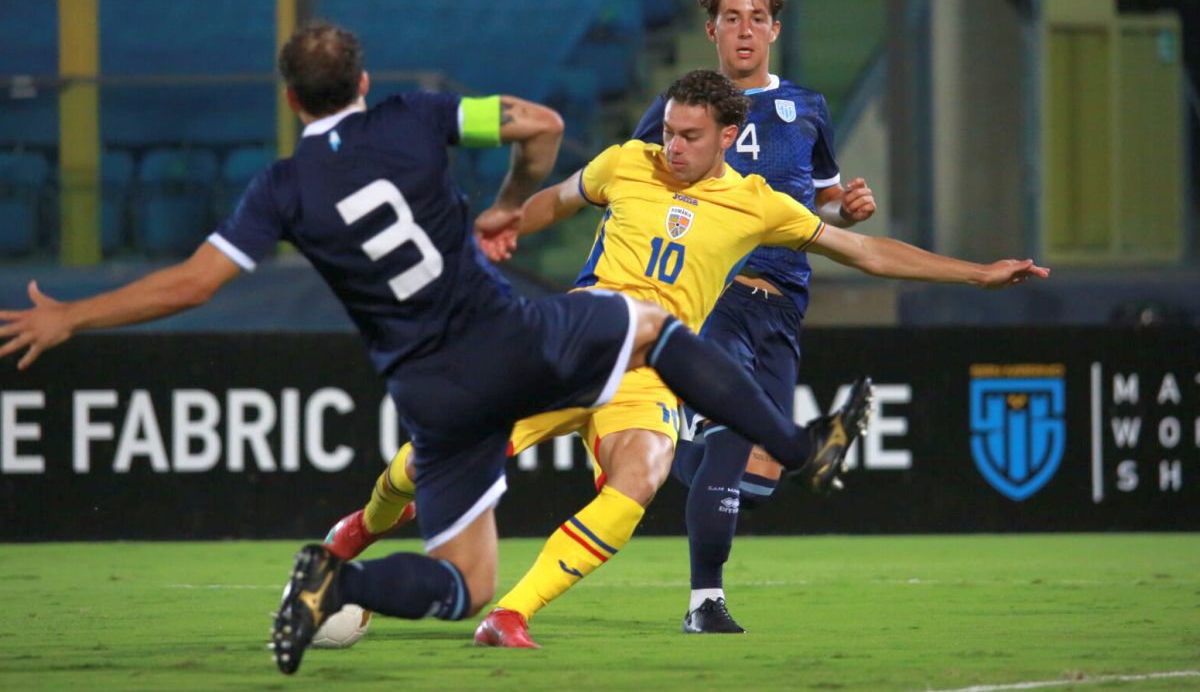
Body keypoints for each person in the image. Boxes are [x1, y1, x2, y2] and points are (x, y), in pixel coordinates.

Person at [0, 24, 868, 675]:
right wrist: (510, 201)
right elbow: (539, 124)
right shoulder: (414, 118)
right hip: (503, 335)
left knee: (466, 580)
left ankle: (340, 576)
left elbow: (190, 286)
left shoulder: (281, 189)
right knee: (654, 326)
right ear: (363, 83)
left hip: (429, 384)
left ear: (292, 101)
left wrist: (71, 318)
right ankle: (800, 448)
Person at [330, 69, 1047, 649]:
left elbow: (864, 250)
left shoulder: (758, 204)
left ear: (728, 136)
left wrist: (977, 274)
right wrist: (500, 227)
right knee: (430, 463)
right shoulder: (626, 162)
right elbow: (555, 200)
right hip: (573, 342)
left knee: (641, 475)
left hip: (650, 370)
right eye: (669, 130)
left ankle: (511, 613)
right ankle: (358, 529)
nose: (671, 145)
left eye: (690, 136)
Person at [631, 0, 876, 633]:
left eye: (757, 18)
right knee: (734, 432)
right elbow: (634, 187)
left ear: (775, 29)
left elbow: (823, 202)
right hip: (712, 299)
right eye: (731, 18)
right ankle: (704, 602)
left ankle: (657, 454)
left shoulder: (809, 108)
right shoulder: (679, 109)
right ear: (711, 31)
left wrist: (848, 209)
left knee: (755, 479)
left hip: (783, 306)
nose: (745, 30)